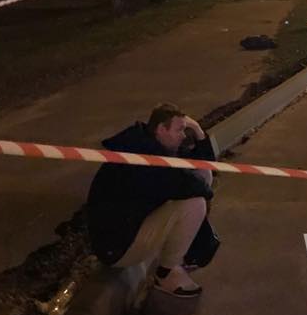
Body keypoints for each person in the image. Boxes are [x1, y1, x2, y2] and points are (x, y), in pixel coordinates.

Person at [86, 104, 217, 298]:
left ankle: (179, 252)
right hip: (117, 248)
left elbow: (205, 167)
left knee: (202, 175)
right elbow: (193, 187)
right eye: (179, 130)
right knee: (195, 204)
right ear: (161, 129)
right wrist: (205, 194)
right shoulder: (146, 158)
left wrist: (198, 131)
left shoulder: (151, 145)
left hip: (132, 226)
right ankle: (165, 275)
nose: (183, 135)